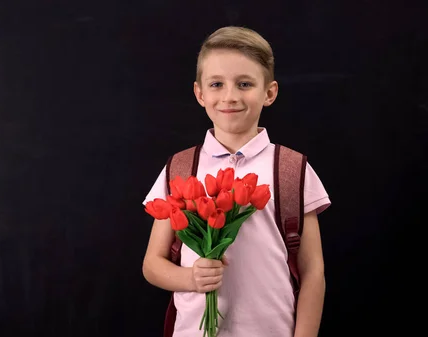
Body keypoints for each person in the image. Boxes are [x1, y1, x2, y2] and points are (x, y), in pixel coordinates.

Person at [141, 26, 331, 337]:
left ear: (269, 93)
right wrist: (190, 279)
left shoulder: (291, 169)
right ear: (200, 94)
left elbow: (313, 272)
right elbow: (152, 264)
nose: (230, 96)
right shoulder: (180, 168)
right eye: (216, 84)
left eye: (244, 84)